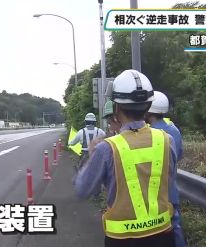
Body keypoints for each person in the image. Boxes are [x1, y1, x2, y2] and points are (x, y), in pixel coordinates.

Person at [74, 69, 177, 247]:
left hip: (122, 240)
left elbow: (83, 189)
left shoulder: (106, 149)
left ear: (116, 107)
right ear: (148, 105)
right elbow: (168, 179)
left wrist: (92, 157)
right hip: (163, 235)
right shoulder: (167, 140)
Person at [145, 90, 185, 247]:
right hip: (172, 190)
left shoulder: (150, 134)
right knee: (175, 228)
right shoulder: (174, 130)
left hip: (154, 194)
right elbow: (178, 155)